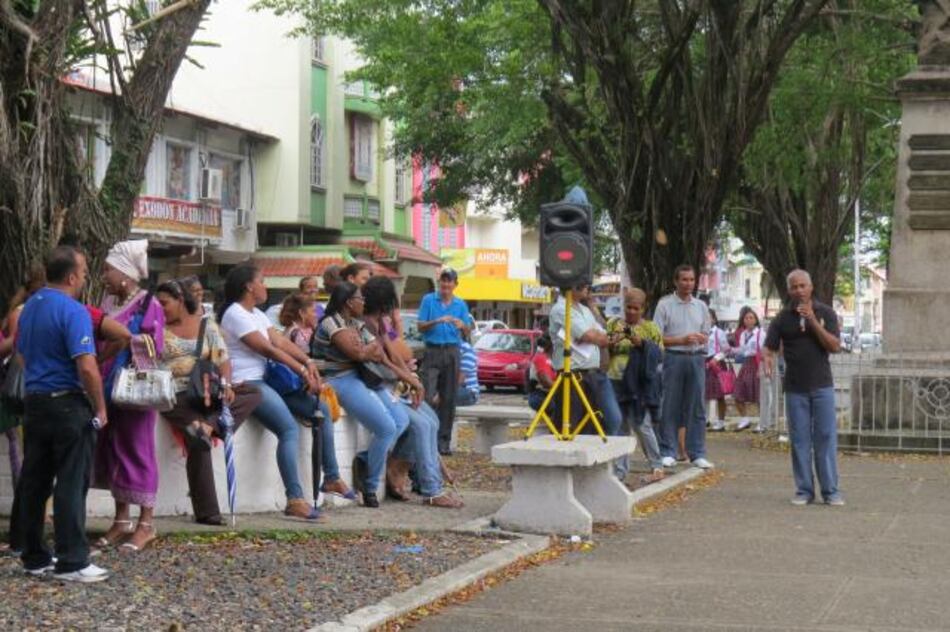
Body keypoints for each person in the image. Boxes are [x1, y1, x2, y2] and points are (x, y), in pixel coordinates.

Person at [16, 245, 110, 582]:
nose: (85, 276)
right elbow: (86, 365)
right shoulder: (74, 311)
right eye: (83, 271)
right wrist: (99, 406)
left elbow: (21, 354)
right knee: (71, 481)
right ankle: (73, 560)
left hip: (36, 401)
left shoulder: (29, 308)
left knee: (34, 482)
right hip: (67, 402)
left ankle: (34, 556)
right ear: (71, 276)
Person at [218, 265, 324, 520]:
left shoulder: (256, 313)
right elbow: (267, 349)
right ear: (249, 286)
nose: (266, 286)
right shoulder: (235, 313)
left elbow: (280, 342)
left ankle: (331, 477)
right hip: (248, 383)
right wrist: (300, 370)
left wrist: (308, 363)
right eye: (262, 281)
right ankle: (294, 499)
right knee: (288, 429)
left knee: (320, 412)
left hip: (267, 380)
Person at [156, 280, 263, 525]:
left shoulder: (206, 325)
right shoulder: (156, 328)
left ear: (181, 300)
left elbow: (223, 360)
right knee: (198, 439)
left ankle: (209, 425)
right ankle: (208, 511)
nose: (161, 309)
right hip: (174, 394)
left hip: (207, 389)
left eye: (165, 303)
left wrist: (226, 385)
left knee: (253, 393)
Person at [361, 276, 462, 508]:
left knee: (433, 420)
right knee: (422, 425)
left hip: (397, 382)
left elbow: (401, 351)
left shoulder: (383, 323)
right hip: (379, 385)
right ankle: (431, 489)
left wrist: (395, 323)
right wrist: (411, 378)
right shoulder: (366, 324)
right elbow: (388, 360)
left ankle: (399, 465)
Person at [94, 239, 165, 552]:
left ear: (124, 273)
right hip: (107, 388)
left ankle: (146, 523)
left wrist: (124, 341)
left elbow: (155, 347)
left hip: (135, 390)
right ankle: (121, 519)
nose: (104, 276)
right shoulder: (107, 304)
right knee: (113, 449)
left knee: (138, 450)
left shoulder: (149, 304)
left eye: (108, 270)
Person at [311, 281, 409, 507]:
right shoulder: (331, 322)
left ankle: (366, 461)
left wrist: (410, 378)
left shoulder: (363, 323)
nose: (364, 302)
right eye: (359, 299)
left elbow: (383, 351)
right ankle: (371, 486)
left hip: (363, 377)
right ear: (348, 302)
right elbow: (359, 353)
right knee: (387, 428)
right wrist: (366, 351)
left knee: (402, 421)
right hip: (339, 380)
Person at [763, 269, 844, 506]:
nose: (799, 290)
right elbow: (769, 346)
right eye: (794, 287)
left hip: (822, 386)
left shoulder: (826, 313)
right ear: (789, 290)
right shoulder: (782, 318)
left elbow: (835, 346)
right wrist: (767, 357)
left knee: (825, 438)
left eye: (803, 286)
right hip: (795, 387)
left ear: (811, 287)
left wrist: (812, 322)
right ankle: (804, 490)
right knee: (799, 440)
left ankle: (830, 491)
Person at [280, 292, 355, 501]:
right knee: (323, 410)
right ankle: (331, 475)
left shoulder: (301, 331)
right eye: (313, 310)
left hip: (300, 386)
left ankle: (331, 476)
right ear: (302, 313)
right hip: (293, 389)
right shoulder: (297, 335)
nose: (316, 314)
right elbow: (293, 367)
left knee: (324, 410)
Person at [654, 265, 714, 469]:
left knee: (696, 406)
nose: (688, 284)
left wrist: (700, 338)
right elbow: (656, 338)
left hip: (696, 357)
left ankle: (696, 452)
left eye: (691, 280)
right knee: (670, 404)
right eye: (684, 280)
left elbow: (707, 334)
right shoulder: (664, 305)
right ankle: (668, 450)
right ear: (676, 281)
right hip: (673, 357)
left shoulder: (701, 306)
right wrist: (681, 339)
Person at [606, 288, 665, 481]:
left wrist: (641, 343)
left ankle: (657, 465)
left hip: (638, 384)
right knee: (620, 427)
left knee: (642, 424)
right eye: (628, 307)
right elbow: (604, 348)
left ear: (643, 308)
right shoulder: (613, 324)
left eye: (636, 308)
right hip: (615, 380)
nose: (631, 312)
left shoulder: (650, 328)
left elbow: (659, 354)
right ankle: (621, 471)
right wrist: (612, 342)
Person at [548, 284, 622, 438]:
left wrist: (601, 335)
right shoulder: (561, 309)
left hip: (594, 373)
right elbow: (590, 336)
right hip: (573, 374)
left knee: (604, 420)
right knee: (572, 424)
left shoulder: (585, 310)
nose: (587, 287)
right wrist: (600, 337)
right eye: (582, 283)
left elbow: (602, 333)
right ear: (571, 285)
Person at [418, 268, 471, 455]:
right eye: (443, 282)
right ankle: (426, 437)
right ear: (439, 283)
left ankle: (443, 442)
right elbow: (420, 326)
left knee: (449, 398)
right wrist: (437, 321)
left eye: (449, 282)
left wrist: (462, 325)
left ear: (455, 284)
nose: (445, 286)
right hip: (432, 350)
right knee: (427, 394)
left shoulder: (461, 305)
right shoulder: (428, 300)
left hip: (452, 351)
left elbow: (468, 331)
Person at [733, 306, 764, 432]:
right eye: (746, 318)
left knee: (759, 394)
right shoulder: (743, 334)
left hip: (757, 363)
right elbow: (742, 349)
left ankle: (763, 421)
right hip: (746, 363)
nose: (748, 320)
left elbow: (763, 350)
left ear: (756, 320)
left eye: (751, 318)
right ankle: (744, 419)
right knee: (738, 392)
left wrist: (762, 367)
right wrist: (731, 350)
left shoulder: (761, 333)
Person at [705, 309, 732, 433]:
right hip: (703, 362)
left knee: (719, 394)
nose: (706, 319)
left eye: (709, 317)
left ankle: (720, 421)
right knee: (703, 393)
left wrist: (716, 358)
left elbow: (726, 349)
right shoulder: (700, 331)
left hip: (716, 363)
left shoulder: (719, 332)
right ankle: (704, 420)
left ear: (714, 319)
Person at [527, 334, 556, 412]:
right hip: (540, 395)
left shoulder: (553, 360)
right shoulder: (541, 358)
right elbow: (545, 381)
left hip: (549, 394)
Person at [456, 335, 479, 407]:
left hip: (468, 391)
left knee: (445, 397)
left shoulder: (467, 350)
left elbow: (460, 380)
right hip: (452, 389)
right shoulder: (445, 350)